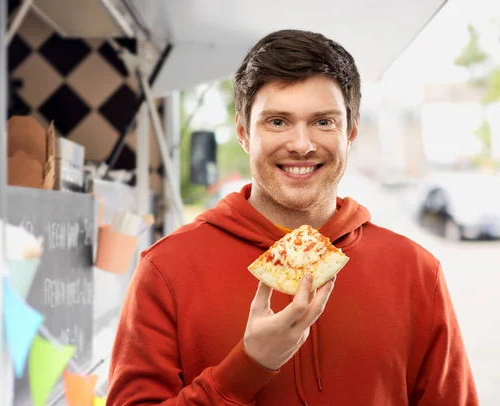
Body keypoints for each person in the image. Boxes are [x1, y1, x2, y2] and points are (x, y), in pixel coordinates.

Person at [107, 29, 478, 405]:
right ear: (243, 133)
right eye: (277, 122)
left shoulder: (416, 271)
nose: (301, 145)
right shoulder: (167, 268)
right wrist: (248, 367)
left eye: (323, 121)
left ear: (350, 131)